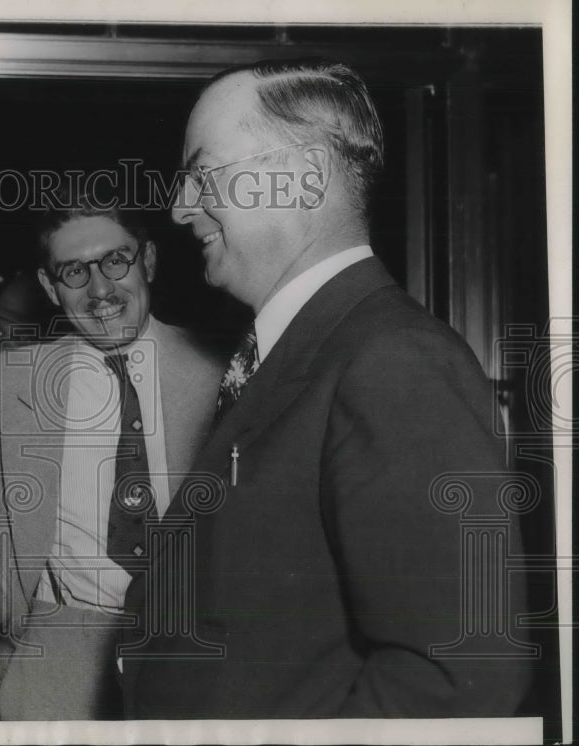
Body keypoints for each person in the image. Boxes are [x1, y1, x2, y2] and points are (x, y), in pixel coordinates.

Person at [120, 59, 533, 718]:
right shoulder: (299, 353)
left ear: (305, 179)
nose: (178, 208)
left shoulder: (394, 362)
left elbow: (457, 680)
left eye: (202, 174)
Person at [0, 193, 223, 719]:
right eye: (74, 271)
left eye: (115, 261)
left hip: (195, 657)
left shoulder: (223, 375)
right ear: (49, 288)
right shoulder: (0, 385)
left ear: (147, 260)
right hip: (51, 661)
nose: (101, 289)